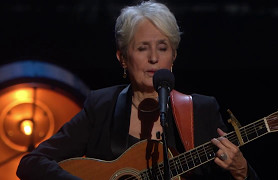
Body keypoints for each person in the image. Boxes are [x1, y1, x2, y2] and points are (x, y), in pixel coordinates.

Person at [16, 0, 260, 179]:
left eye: (163, 48)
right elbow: (31, 163)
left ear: (173, 56)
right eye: (143, 48)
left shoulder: (201, 110)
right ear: (122, 58)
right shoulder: (101, 107)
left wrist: (242, 172)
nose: (154, 58)